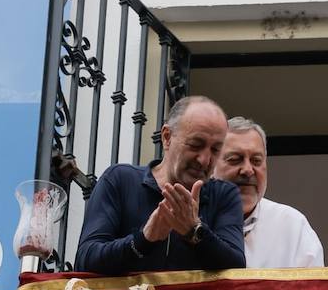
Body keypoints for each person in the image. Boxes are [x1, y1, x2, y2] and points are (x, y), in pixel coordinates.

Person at [75, 95, 246, 273]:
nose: (204, 160)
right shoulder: (120, 180)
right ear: (167, 137)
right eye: (196, 145)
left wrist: (195, 232)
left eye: (215, 150)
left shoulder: (225, 195)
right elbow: (86, 260)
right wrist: (143, 239)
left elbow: (236, 269)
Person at [213, 116, 324, 268]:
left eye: (256, 161)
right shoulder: (192, 220)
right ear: (211, 165)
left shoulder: (293, 226)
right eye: (235, 159)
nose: (247, 170)